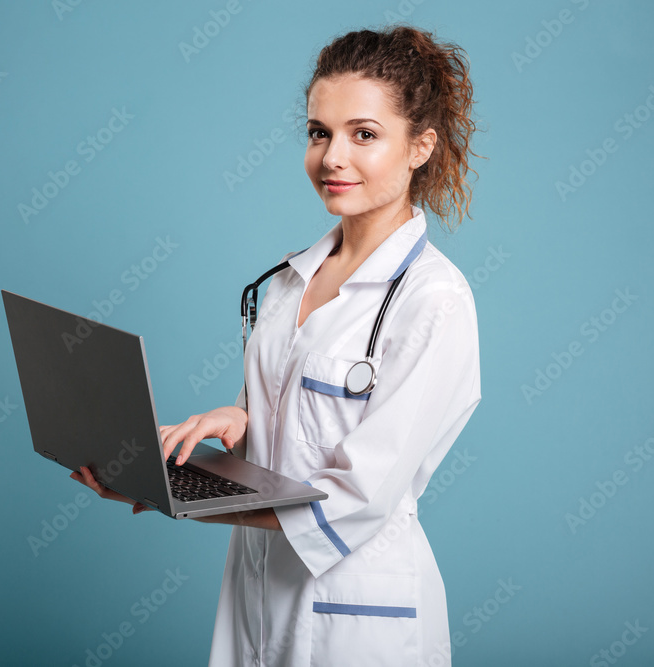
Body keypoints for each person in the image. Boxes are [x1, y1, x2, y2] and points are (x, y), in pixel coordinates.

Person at [72, 24, 483, 666]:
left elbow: (356, 497)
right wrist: (238, 417)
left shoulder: (435, 302)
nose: (332, 157)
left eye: (364, 134)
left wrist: (173, 496)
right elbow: (295, 414)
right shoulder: (293, 280)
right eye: (319, 132)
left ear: (420, 147)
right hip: (256, 589)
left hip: (355, 613)